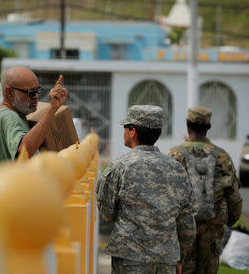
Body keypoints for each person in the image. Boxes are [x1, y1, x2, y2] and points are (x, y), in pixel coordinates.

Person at [97, 105, 196, 274]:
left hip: (129, 258)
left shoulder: (120, 167)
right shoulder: (177, 169)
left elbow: (106, 213)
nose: (124, 132)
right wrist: (179, 257)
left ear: (132, 131)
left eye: (125, 128)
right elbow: (187, 221)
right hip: (166, 260)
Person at [167, 106, 242, 274]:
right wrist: (231, 221)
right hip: (213, 225)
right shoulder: (222, 156)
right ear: (208, 128)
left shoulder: (175, 155)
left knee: (183, 267)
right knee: (208, 268)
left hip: (183, 227)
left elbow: (164, 194)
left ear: (187, 125)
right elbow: (234, 196)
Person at [0, 66, 67, 172]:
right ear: (9, 93)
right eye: (31, 92)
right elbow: (23, 152)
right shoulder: (9, 117)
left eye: (37, 90)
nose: (36, 96)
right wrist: (51, 109)